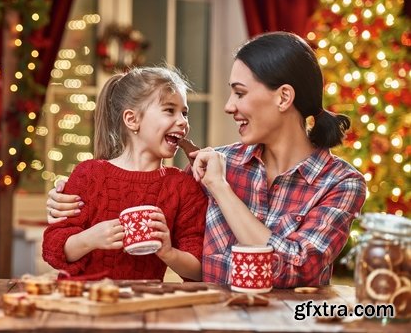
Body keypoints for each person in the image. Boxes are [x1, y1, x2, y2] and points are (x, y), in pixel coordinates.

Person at [46, 32, 367, 288]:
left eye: (240, 93)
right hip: (211, 320)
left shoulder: (340, 183)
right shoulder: (208, 165)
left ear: (283, 97)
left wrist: (221, 189)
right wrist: (65, 194)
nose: (228, 106)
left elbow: (297, 269)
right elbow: (128, 190)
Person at [42, 67, 207, 282]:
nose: (183, 121)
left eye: (184, 113)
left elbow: (199, 269)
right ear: (132, 120)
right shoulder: (89, 175)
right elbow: (52, 249)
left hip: (143, 305)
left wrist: (169, 252)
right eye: (169, 110)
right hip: (83, 301)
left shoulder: (183, 187)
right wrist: (91, 238)